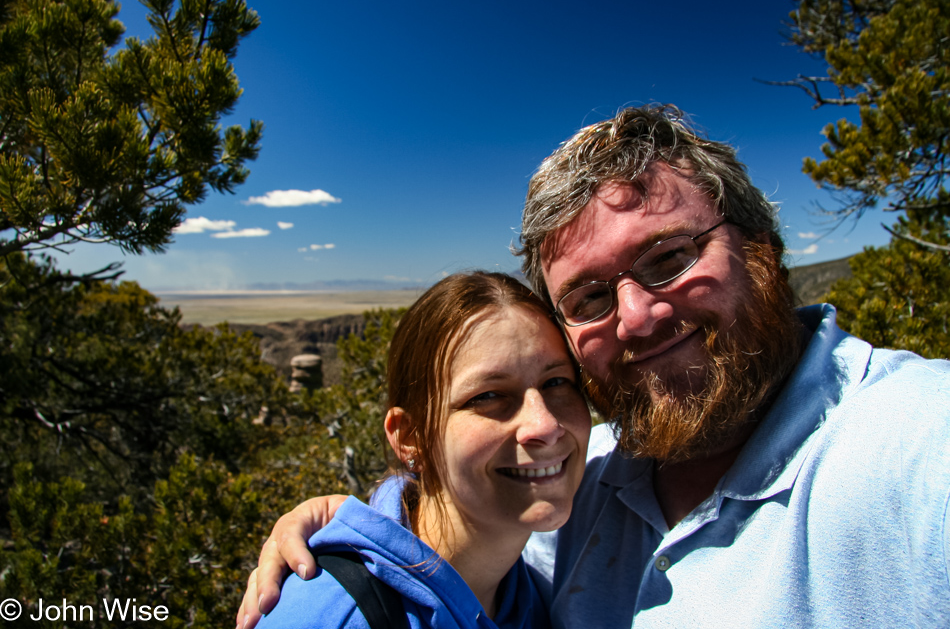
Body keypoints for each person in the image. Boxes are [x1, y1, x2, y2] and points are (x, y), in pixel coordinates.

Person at [238, 105, 950, 629]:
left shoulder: (917, 445)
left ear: (761, 246)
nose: (636, 316)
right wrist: (347, 530)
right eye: (590, 296)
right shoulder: (588, 477)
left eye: (670, 257)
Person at [254, 271, 591, 629]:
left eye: (557, 382)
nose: (545, 426)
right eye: (488, 396)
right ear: (410, 437)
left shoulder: (525, 596)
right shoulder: (333, 615)